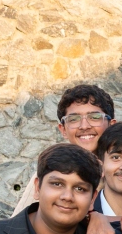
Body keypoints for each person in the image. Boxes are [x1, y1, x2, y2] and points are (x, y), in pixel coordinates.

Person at [11, 83, 115, 214]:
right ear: (63, 130)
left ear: (111, 125)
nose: (84, 126)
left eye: (94, 117)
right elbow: (19, 222)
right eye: (74, 119)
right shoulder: (49, 172)